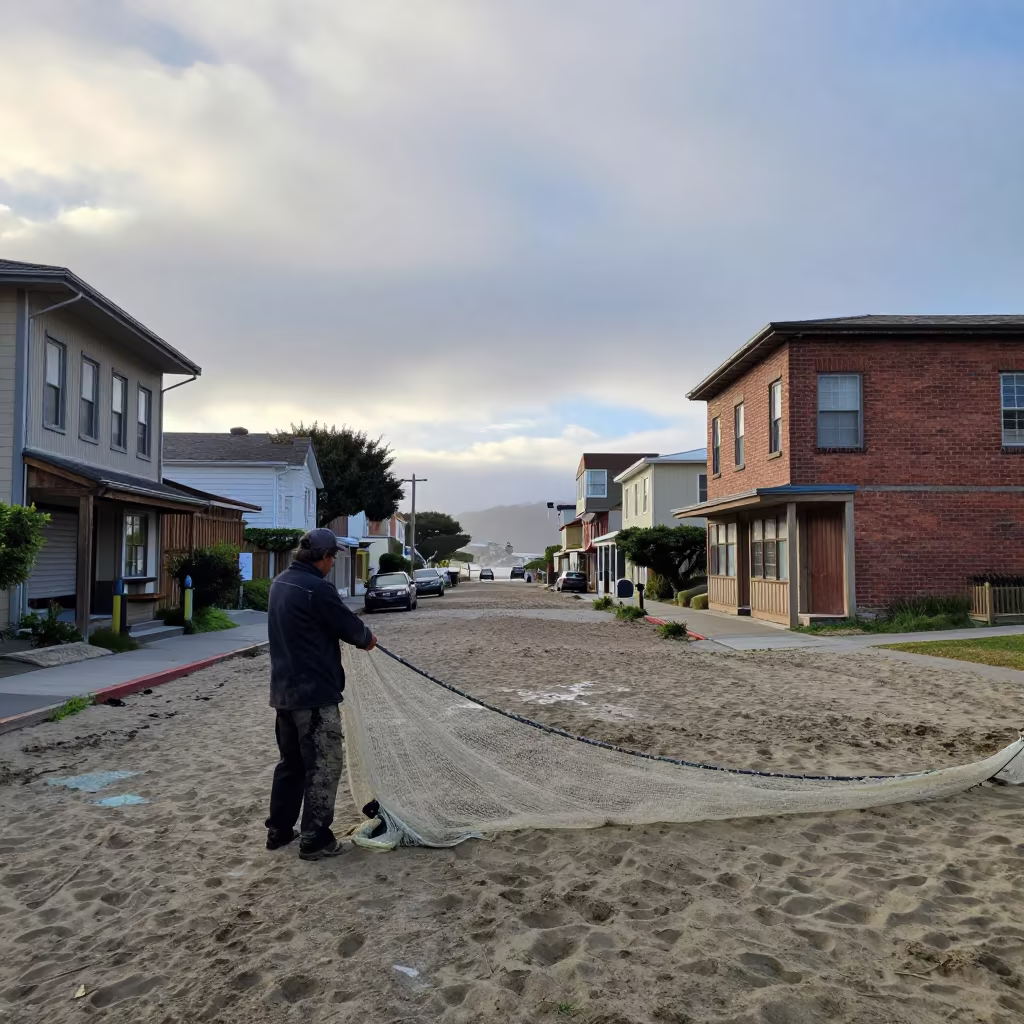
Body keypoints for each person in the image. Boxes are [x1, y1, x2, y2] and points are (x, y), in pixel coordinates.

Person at [265, 528, 377, 861]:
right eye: (333, 558)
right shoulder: (317, 588)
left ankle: (279, 831)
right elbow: (357, 633)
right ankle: (315, 838)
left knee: (291, 765)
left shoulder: (280, 583)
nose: (332, 563)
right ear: (325, 557)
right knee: (324, 765)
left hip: (283, 694)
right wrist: (368, 638)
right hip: (314, 696)